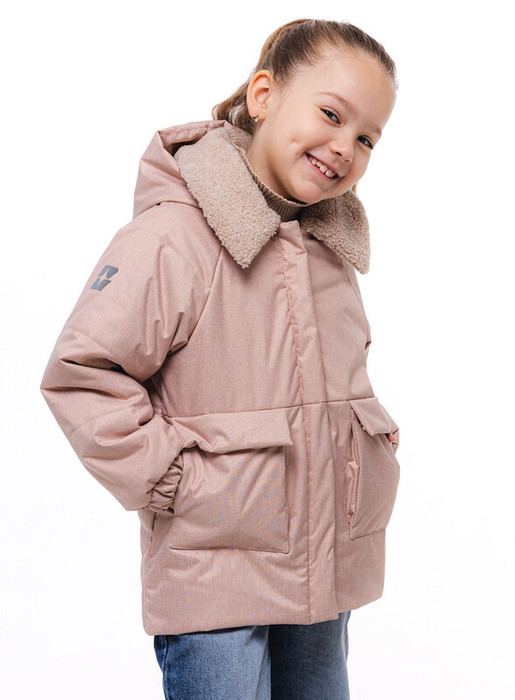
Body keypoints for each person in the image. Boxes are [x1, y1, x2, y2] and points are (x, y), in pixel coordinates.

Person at [41, 18, 401, 700]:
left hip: (324, 575)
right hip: (213, 581)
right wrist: (176, 483)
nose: (343, 147)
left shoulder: (329, 250)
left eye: (366, 138)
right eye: (331, 114)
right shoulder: (173, 239)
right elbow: (82, 375)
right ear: (264, 95)